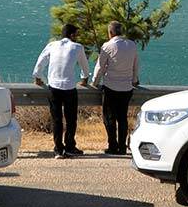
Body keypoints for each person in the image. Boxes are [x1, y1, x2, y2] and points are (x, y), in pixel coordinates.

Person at [33, 23, 89, 159]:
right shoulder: (77, 47)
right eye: (76, 34)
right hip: (69, 88)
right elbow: (84, 66)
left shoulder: (52, 45)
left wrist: (38, 77)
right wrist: (84, 79)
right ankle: (69, 147)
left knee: (56, 119)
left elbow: (41, 61)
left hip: (53, 87)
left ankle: (58, 149)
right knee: (71, 119)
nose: (77, 37)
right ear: (71, 35)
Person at [92, 21, 139, 155]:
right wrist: (134, 80)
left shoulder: (107, 46)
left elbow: (100, 67)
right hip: (127, 87)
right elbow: (136, 65)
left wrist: (95, 83)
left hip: (111, 87)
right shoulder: (131, 45)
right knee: (122, 118)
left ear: (110, 33)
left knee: (109, 118)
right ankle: (122, 147)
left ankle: (112, 145)